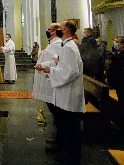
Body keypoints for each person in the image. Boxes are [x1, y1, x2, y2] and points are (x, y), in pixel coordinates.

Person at [42, 21, 85, 164]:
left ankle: (72, 158)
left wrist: (51, 71)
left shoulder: (69, 47)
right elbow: (62, 64)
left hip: (69, 93)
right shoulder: (67, 46)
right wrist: (50, 66)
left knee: (71, 128)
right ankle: (69, 153)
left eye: (60, 29)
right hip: (67, 92)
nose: (58, 31)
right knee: (68, 126)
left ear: (66, 30)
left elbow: (71, 72)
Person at [33, 23, 62, 151]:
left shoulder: (58, 44)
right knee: (56, 114)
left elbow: (58, 61)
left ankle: (62, 142)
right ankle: (59, 138)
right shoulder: (54, 43)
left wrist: (43, 65)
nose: (47, 32)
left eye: (49, 30)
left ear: (54, 32)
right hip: (49, 79)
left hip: (53, 81)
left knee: (58, 114)